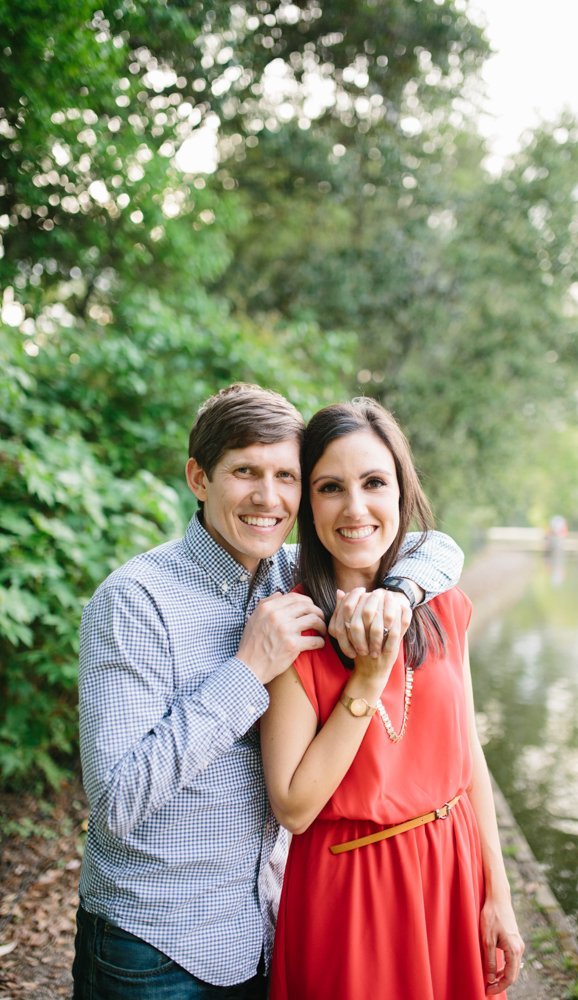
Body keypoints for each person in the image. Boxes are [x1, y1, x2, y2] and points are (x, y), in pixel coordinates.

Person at [73, 383, 465, 999]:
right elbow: (116, 801)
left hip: (264, 929)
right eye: (245, 472)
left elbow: (435, 546)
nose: (268, 496)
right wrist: (245, 672)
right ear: (199, 478)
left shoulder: (289, 571)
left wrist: (400, 594)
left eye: (286, 476)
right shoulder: (135, 602)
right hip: (154, 945)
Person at [261, 398, 524, 1000]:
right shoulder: (292, 630)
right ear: (309, 503)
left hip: (452, 870)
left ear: (401, 490)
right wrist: (366, 681)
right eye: (331, 487)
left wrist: (498, 895)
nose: (356, 508)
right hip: (352, 889)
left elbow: (468, 757)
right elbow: (294, 807)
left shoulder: (444, 607)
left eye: (374, 482)